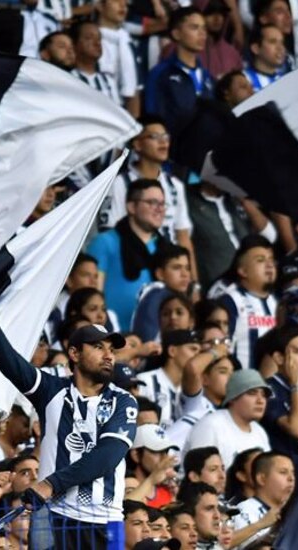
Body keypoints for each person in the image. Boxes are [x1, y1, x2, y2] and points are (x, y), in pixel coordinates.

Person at [0, 283, 138, 549]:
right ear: (74, 353)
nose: (108, 356)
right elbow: (8, 362)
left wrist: (50, 484)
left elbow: (108, 455)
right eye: (99, 347)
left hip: (106, 521)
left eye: (112, 351)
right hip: (52, 517)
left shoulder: (123, 401)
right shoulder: (51, 391)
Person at [101, 117, 194, 258]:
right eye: (154, 137)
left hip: (171, 268)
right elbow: (109, 233)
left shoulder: (175, 185)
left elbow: (183, 237)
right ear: (137, 144)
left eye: (166, 137)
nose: (163, 142)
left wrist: (192, 279)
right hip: (135, 263)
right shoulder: (119, 184)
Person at [87, 179, 166, 331]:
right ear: (131, 206)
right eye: (152, 202)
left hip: (156, 338)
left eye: (162, 204)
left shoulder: (166, 248)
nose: (159, 209)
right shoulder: (105, 242)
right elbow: (92, 295)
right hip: (115, 337)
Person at [145, 8, 212, 140]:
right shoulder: (160, 74)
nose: (202, 34)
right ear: (176, 34)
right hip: (173, 151)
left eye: (204, 28)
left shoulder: (207, 76)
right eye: (194, 27)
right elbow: (152, 118)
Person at [184, 370, 271, 470]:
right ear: (233, 398)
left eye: (264, 395)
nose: (260, 401)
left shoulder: (260, 432)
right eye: (252, 393)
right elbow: (199, 474)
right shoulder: (211, 425)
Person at [217, 235, 278, 371]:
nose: (269, 265)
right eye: (260, 260)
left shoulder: (277, 302)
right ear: (243, 270)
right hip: (241, 387)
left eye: (271, 260)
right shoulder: (230, 302)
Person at [260, 327, 298, 456]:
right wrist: (296, 385)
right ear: (279, 358)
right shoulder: (268, 389)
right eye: (297, 352)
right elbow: (297, 430)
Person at [136, 330, 201, 426]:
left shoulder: (194, 391)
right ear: (172, 351)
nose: (198, 356)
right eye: (193, 349)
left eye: (200, 351)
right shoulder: (145, 381)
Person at [230, 452, 294, 549]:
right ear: (262, 479)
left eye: (292, 472)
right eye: (283, 472)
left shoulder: (295, 512)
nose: (291, 478)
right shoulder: (243, 510)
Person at [95, 0, 139, 116]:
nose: (122, 6)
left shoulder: (127, 40)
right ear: (100, 6)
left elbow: (134, 89)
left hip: (122, 113)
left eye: (125, 3)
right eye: (116, 1)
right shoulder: (90, 41)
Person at [243, 26, 286, 92]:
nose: (281, 48)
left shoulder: (286, 80)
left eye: (282, 42)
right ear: (256, 49)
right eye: (273, 42)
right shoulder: (244, 80)